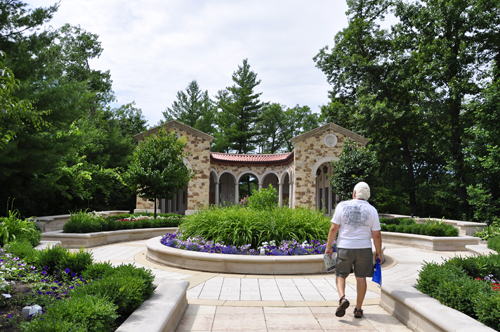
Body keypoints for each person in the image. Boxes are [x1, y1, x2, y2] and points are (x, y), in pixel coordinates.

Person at [324, 181, 383, 319]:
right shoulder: (372, 210)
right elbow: (377, 235)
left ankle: (343, 299)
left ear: (354, 193)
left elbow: (333, 228)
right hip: (364, 248)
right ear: (367, 195)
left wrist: (328, 246)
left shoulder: (342, 206)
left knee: (340, 274)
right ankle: (358, 309)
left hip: (345, 246)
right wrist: (378, 253)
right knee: (361, 278)